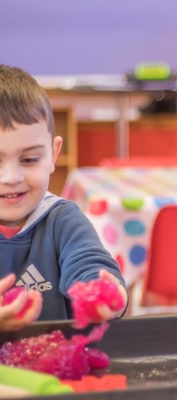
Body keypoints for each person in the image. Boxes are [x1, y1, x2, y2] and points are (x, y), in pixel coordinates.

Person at [0, 64, 128, 332]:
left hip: (57, 356)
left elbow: (90, 265)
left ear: (53, 154)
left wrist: (104, 296)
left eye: (29, 159)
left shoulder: (62, 220)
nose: (11, 177)